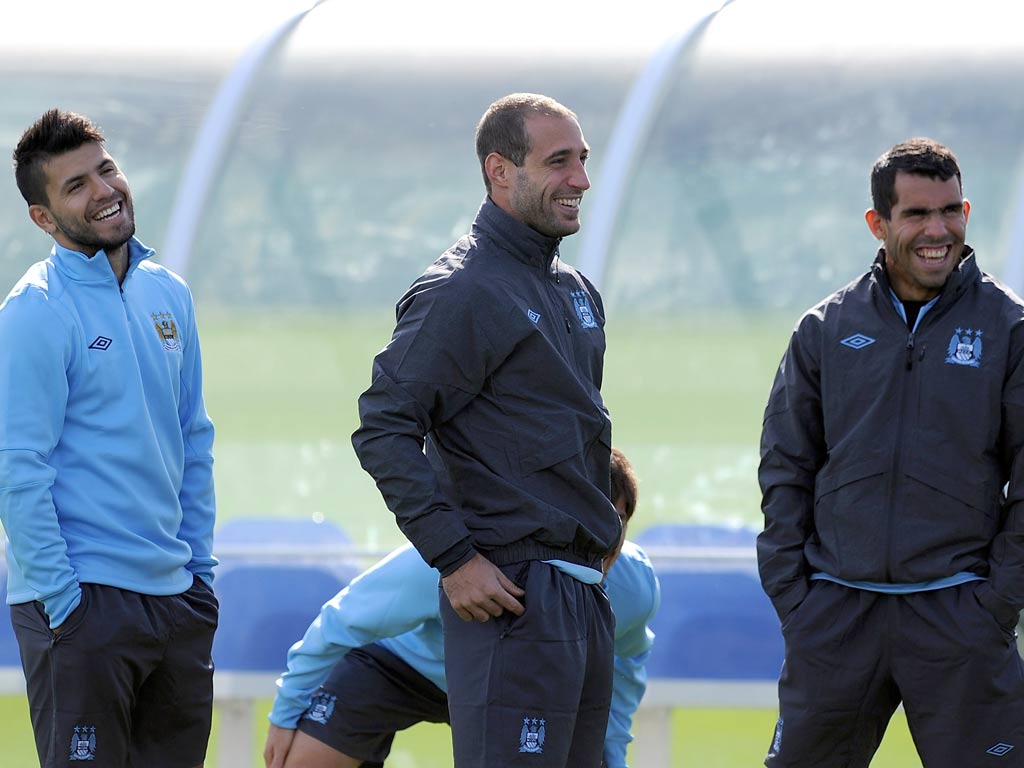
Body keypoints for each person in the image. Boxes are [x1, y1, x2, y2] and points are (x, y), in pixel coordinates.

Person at [351, 93, 620, 767]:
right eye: (558, 162)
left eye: (583, 160)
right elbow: (384, 427)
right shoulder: (463, 290)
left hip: (582, 595)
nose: (581, 180)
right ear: (500, 171)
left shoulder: (575, 288)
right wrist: (455, 559)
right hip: (513, 596)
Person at [758, 137, 1024, 767]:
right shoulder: (825, 328)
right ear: (878, 224)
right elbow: (785, 467)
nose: (939, 230)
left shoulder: (1009, 328)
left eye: (951, 210)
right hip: (836, 616)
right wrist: (797, 599)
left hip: (960, 616)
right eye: (917, 214)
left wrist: (996, 603)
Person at [0, 109, 217, 767]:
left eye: (106, 169)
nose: (104, 191)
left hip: (176, 603)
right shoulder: (35, 311)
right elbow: (16, 466)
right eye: (75, 186)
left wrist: (200, 577)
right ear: (44, 218)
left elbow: (193, 440)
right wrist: (65, 605)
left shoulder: (168, 294)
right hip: (82, 605)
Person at [262, 448, 658, 768]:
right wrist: (284, 714)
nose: (603, 533)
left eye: (616, 518)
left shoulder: (634, 588)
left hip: (513, 689)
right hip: (400, 667)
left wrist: (614, 758)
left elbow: (625, 663)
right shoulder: (457, 554)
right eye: (589, 514)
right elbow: (341, 619)